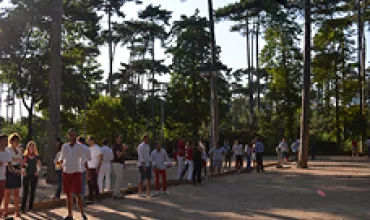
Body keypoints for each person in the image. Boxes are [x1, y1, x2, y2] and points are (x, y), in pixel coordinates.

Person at [61, 129, 88, 220]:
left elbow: (84, 160)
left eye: (74, 135)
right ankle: (70, 215)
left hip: (76, 172)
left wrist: (87, 172)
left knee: (78, 194)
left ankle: (82, 214)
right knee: (68, 194)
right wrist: (59, 165)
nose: (72, 137)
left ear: (76, 136)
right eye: (70, 135)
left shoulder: (80, 147)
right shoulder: (64, 146)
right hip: (66, 172)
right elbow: (62, 158)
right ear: (68, 136)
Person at [4, 133, 23, 218]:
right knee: (7, 193)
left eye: (17, 141)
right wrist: (18, 159)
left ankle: (17, 212)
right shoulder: (7, 149)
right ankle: (5, 212)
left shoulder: (19, 150)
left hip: (17, 169)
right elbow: (9, 159)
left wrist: (21, 167)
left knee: (16, 193)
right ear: (11, 141)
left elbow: (21, 160)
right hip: (8, 169)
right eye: (14, 141)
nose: (16, 143)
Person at [21, 141, 41, 213]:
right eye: (30, 146)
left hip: (34, 175)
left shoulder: (37, 156)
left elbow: (39, 165)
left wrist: (37, 172)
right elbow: (23, 165)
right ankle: (22, 209)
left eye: (33, 146)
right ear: (28, 147)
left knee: (33, 191)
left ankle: (31, 208)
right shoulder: (25, 156)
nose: (31, 148)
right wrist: (23, 172)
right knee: (25, 192)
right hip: (26, 175)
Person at [111, 135, 128, 199]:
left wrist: (123, 163)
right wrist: (124, 149)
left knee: (120, 179)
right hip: (116, 163)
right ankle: (116, 193)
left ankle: (117, 193)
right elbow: (118, 155)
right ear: (116, 139)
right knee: (118, 179)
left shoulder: (121, 146)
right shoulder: (115, 146)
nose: (120, 139)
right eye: (119, 138)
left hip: (120, 163)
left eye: (121, 138)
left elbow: (122, 155)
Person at [87, 136, 102, 202]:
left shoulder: (97, 148)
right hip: (88, 167)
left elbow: (100, 157)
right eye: (88, 140)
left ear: (92, 140)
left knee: (94, 182)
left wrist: (98, 167)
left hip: (94, 167)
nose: (88, 142)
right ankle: (90, 196)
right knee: (89, 182)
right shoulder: (88, 148)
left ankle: (97, 196)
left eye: (89, 140)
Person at [77, 137, 91, 204]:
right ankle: (81, 200)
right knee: (82, 186)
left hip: (74, 169)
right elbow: (87, 161)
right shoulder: (86, 148)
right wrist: (88, 171)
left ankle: (77, 198)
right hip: (82, 169)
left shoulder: (74, 147)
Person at [0, 134, 11, 217]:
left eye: (7, 140)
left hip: (2, 178)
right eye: (5, 140)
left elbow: (10, 167)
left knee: (1, 197)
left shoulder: (7, 153)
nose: (6, 142)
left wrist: (18, 171)